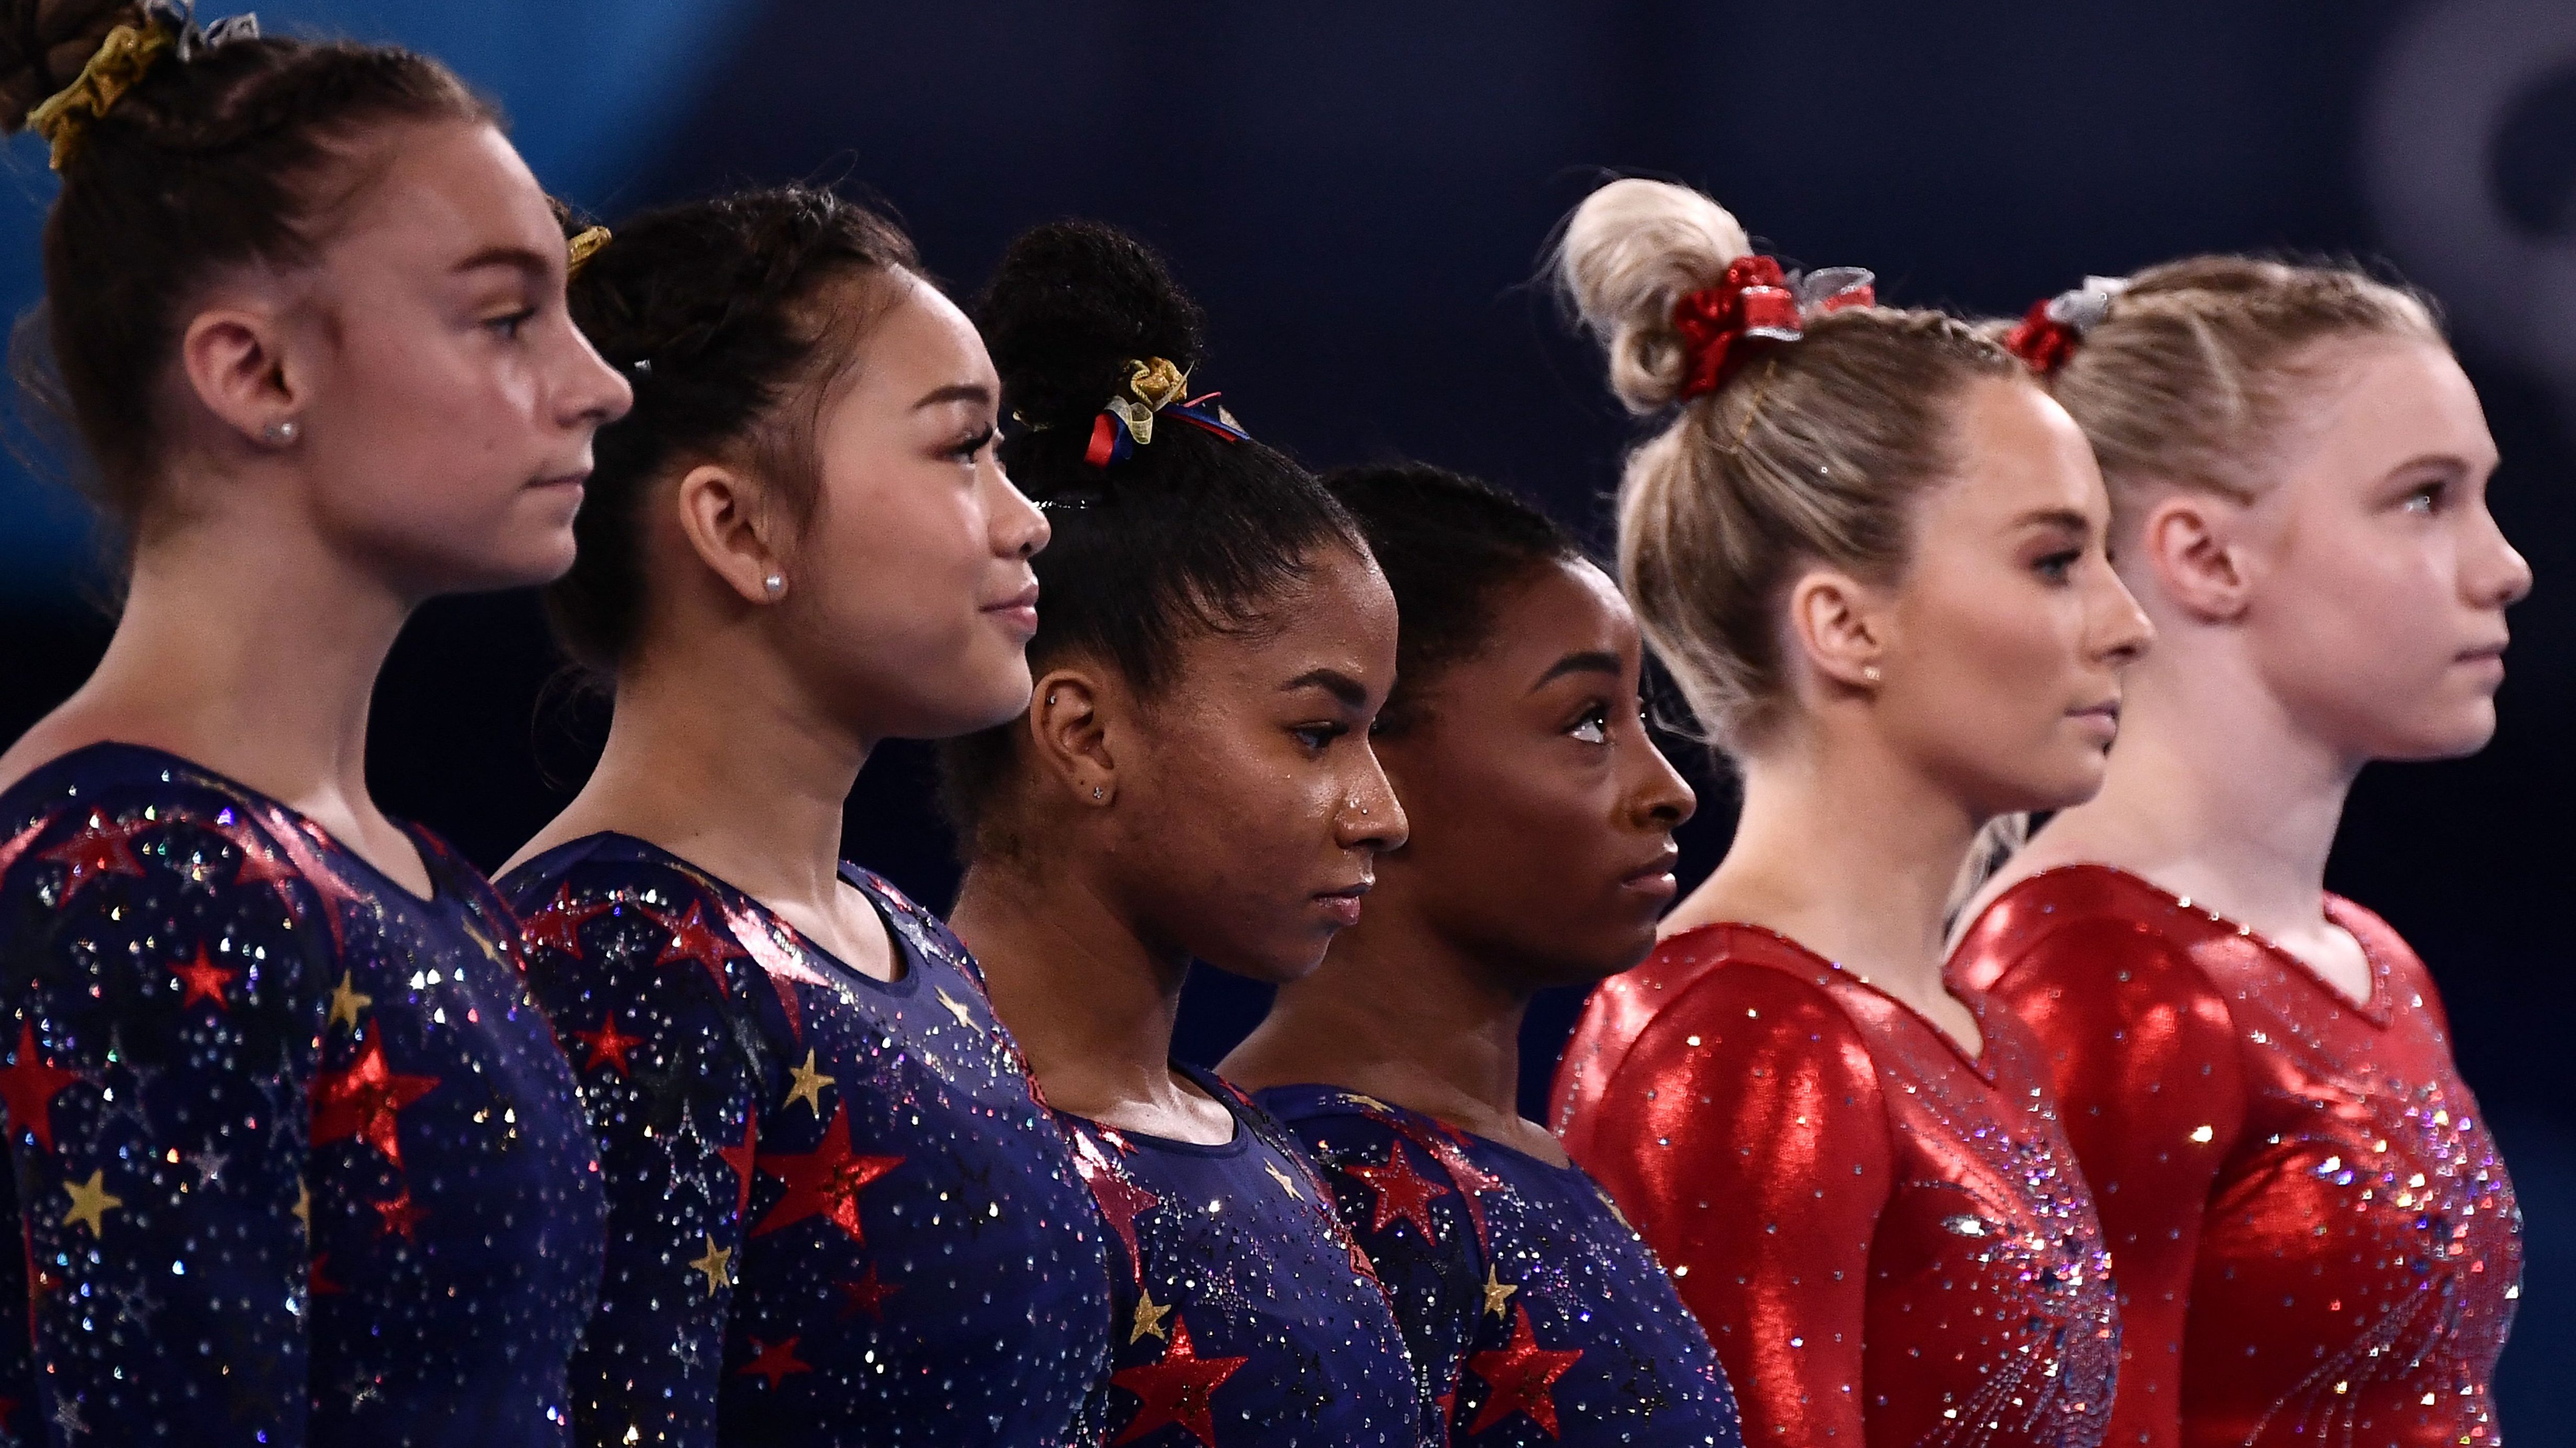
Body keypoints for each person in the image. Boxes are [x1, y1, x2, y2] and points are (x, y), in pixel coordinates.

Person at [0, 3, 632, 1442]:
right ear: (256, 373)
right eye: (505, 315)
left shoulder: (423, 889)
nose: (599, 382)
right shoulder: (133, 882)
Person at [494, 186, 1112, 1447]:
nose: (1027, 516)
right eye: (960, 447)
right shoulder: (618, 953)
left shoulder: (909, 945)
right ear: (737, 522)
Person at [1543, 178, 2151, 1448]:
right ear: (1844, 624)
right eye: (2053, 560)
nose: (2124, 620)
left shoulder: (1971, 1030)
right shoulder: (1738, 1042)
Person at [1950, 260, 2528, 1448]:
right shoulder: (2089, 980)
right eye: (2425, 498)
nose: (2503, 564)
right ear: (2206, 557)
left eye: (2482, 496)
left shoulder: (2372, 961)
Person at [940, 219, 1422, 1444]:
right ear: (1087, 737)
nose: (1383, 813)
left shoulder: (1271, 1158)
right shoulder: (924, 1149)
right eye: (1319, 734)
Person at [1221, 461, 1744, 1446]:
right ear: (1373, 758)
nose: (1670, 789)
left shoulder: (1516, 1157)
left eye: (1638, 718)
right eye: (1590, 721)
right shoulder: (1325, 1190)